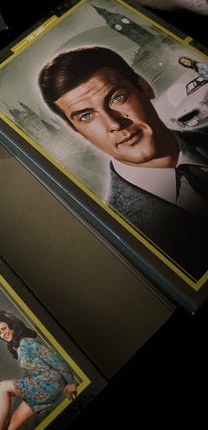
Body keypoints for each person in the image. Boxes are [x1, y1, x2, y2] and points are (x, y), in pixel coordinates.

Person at [38, 45, 208, 279]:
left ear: (144, 87)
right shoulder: (120, 234)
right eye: (86, 116)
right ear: (77, 131)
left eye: (117, 98)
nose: (114, 124)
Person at [0, 311, 78, 430]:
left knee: (3, 386)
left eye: (4, 328)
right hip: (42, 386)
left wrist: (71, 382)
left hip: (51, 382)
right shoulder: (17, 347)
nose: (3, 334)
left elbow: (56, 360)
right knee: (13, 422)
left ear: (12, 325)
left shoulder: (27, 342)